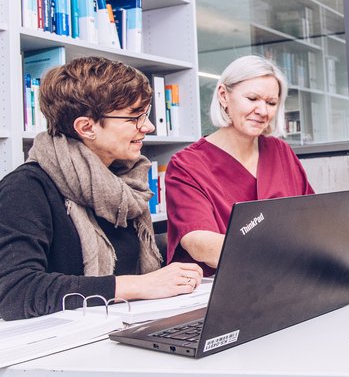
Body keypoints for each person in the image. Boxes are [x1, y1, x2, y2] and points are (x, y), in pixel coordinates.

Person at [0, 57, 203, 320]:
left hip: (120, 326)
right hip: (64, 345)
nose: (149, 127)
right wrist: (140, 285)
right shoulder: (25, 189)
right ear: (86, 127)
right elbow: (16, 292)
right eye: (134, 117)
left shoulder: (126, 184)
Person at [166, 55, 314, 275]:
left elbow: (311, 217)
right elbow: (198, 242)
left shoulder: (280, 152)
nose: (263, 111)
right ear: (224, 96)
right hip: (222, 287)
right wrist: (277, 253)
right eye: (252, 98)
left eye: (271, 103)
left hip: (289, 278)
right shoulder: (187, 165)